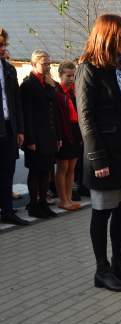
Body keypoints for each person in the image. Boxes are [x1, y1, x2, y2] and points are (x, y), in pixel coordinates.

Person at [76, 14, 121, 292]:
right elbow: (86, 118)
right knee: (103, 213)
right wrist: (97, 159)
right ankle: (101, 271)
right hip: (105, 156)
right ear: (107, 35)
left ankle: (119, 266)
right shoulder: (88, 69)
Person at [21, 50, 61, 219]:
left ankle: (43, 202)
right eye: (44, 64)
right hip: (36, 136)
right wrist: (29, 139)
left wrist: (58, 136)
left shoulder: (48, 83)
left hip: (49, 135)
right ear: (34, 64)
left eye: (48, 63)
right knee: (36, 171)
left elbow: (55, 111)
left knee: (46, 170)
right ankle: (34, 204)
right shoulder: (28, 85)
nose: (47, 67)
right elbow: (26, 114)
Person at [0, 28, 29, 226]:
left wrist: (19, 130)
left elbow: (17, 102)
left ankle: (7, 211)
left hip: (8, 128)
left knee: (8, 170)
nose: (3, 49)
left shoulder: (9, 69)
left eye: (4, 45)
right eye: (0, 45)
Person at [54, 61, 82, 211]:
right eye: (68, 76)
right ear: (60, 75)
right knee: (63, 166)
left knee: (72, 166)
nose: (71, 78)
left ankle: (69, 198)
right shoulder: (57, 92)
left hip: (75, 130)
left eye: (73, 75)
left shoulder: (75, 91)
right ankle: (62, 199)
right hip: (64, 131)